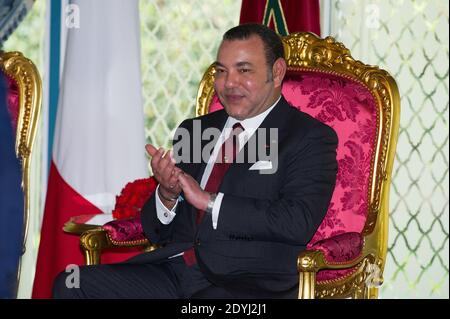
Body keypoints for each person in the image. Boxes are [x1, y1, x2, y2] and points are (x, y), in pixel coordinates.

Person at [53, 23, 338, 299]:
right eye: (221, 71)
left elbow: (296, 221)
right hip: (173, 273)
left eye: (244, 70)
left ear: (276, 73)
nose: (229, 84)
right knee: (72, 283)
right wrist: (166, 194)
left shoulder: (307, 137)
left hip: (246, 285)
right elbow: (157, 231)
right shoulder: (196, 132)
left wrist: (210, 201)